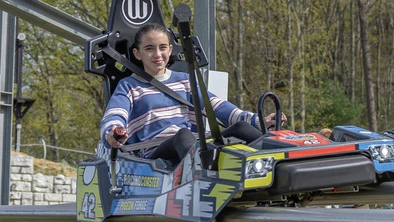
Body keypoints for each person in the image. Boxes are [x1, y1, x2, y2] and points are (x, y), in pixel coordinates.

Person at [100, 23, 279, 165]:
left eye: (162, 48)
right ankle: (206, 174)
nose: (157, 54)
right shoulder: (129, 85)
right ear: (137, 54)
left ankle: (278, 159)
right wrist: (113, 133)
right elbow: (115, 114)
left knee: (240, 128)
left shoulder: (184, 80)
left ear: (170, 50)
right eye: (149, 49)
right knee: (183, 134)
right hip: (155, 152)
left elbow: (218, 106)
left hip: (195, 145)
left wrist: (259, 121)